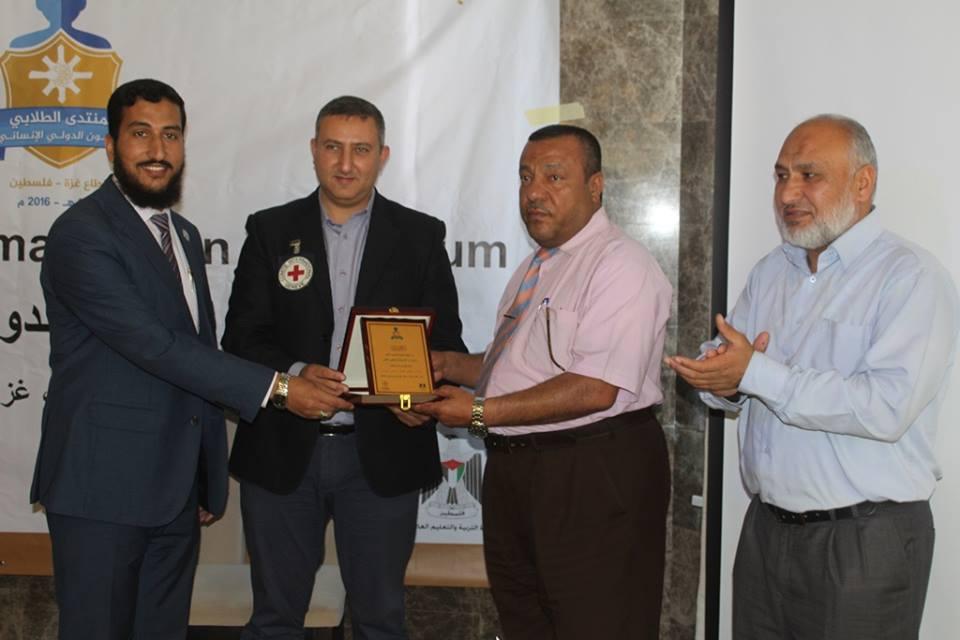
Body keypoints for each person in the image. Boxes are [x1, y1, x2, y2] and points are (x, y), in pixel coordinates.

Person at [32, 78, 335, 640]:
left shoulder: (185, 235)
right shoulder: (81, 234)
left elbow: (197, 355)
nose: (158, 150)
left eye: (171, 135)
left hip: (175, 494)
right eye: (140, 134)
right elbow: (154, 346)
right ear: (110, 144)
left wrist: (204, 475)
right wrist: (281, 387)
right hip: (103, 490)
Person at [666, 114, 960, 639]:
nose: (787, 194)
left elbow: (884, 408)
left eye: (809, 175)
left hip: (864, 540)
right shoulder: (771, 270)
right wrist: (723, 378)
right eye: (781, 176)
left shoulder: (910, 276)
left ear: (863, 183)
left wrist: (756, 372)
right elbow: (739, 369)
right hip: (766, 532)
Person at [221, 95, 466, 640]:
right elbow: (240, 338)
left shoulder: (420, 235)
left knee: (380, 621)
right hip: (283, 449)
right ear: (314, 150)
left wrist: (412, 398)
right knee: (274, 620)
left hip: (381, 456)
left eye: (361, 149)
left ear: (383, 156)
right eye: (333, 147)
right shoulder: (269, 230)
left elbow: (444, 345)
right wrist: (294, 374)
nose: (347, 163)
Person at [418, 124, 672, 639]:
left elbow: (595, 387)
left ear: (595, 187)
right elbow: (518, 367)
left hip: (591, 471)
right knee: (526, 621)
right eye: (526, 177)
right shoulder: (537, 265)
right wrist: (447, 365)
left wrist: (477, 412)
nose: (534, 192)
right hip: (519, 474)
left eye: (554, 177)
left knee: (598, 624)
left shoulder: (621, 265)